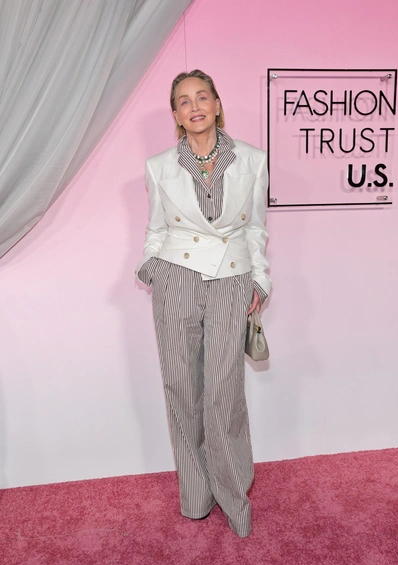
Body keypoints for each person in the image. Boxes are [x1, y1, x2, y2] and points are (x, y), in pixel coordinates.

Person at [135, 69, 271, 538]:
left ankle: (233, 495)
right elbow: (156, 228)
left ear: (216, 104)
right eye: (183, 101)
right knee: (181, 388)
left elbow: (255, 228)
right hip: (176, 276)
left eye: (202, 97)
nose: (194, 107)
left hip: (232, 277)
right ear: (176, 114)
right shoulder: (159, 166)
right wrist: (151, 267)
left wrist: (260, 281)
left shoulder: (252, 159)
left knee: (223, 392)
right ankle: (195, 495)